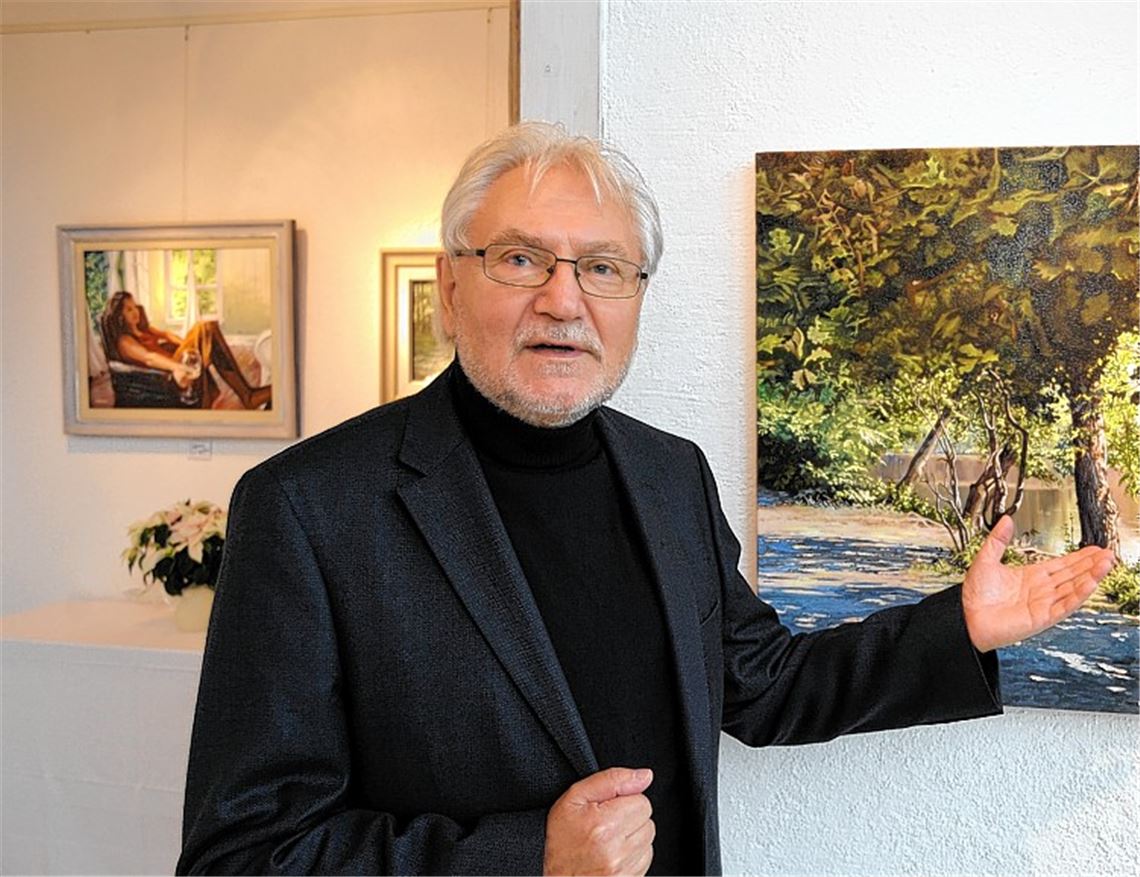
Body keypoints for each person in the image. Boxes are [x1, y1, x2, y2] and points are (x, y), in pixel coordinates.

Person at [177, 123, 1115, 876]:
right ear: (450, 288)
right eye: (519, 259)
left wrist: (960, 626)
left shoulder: (669, 473)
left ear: (634, 299)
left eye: (603, 267)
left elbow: (765, 686)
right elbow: (243, 851)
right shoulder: (309, 508)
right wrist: (526, 855)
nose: (563, 299)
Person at [100, 290, 272, 410]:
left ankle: (247, 396)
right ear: (120, 316)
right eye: (129, 309)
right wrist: (178, 366)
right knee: (204, 327)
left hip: (178, 360)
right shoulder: (124, 341)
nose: (135, 311)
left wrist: (190, 344)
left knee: (207, 329)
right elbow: (149, 358)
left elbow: (167, 335)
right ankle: (247, 396)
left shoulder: (143, 330)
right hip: (171, 373)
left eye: (134, 306)